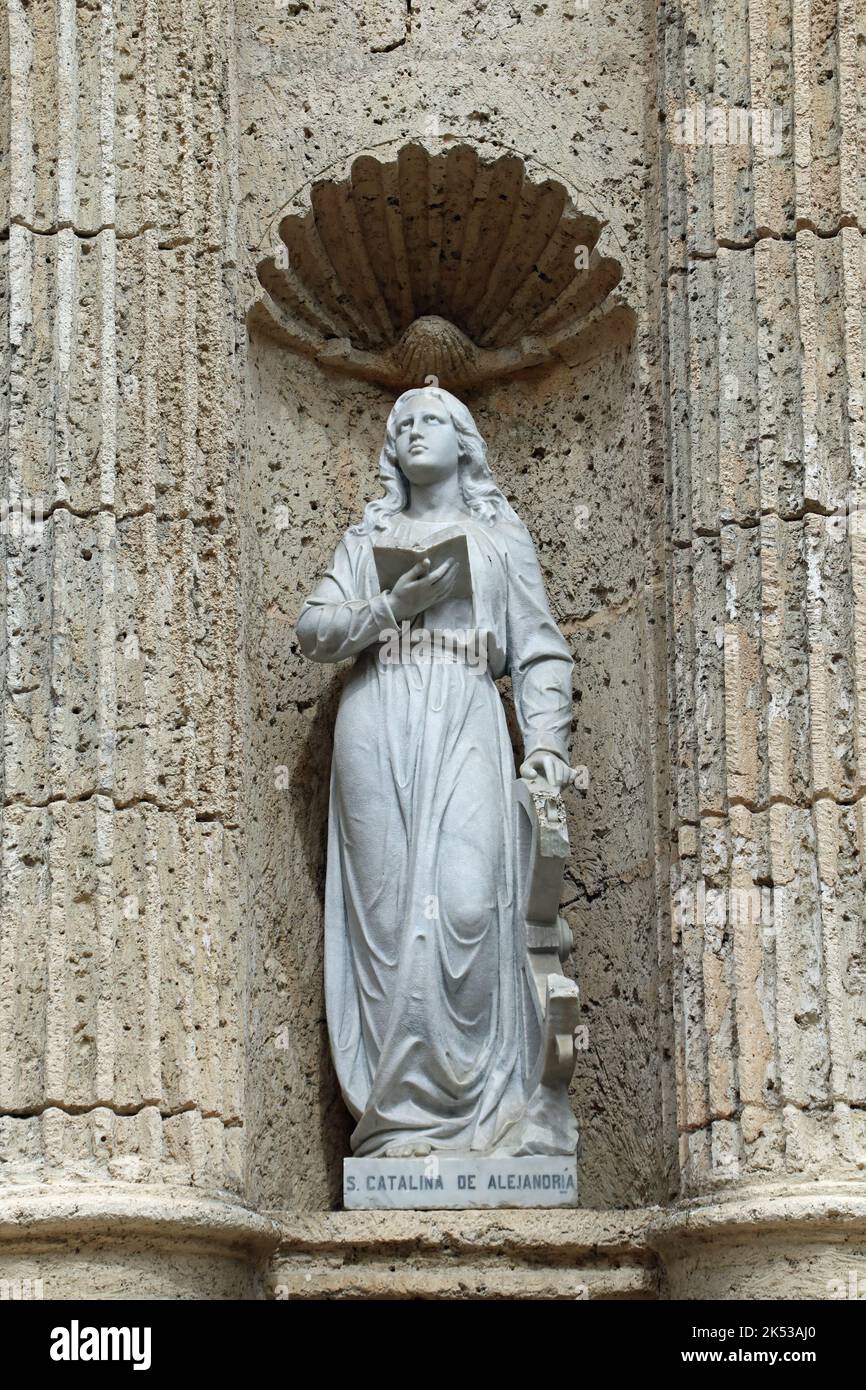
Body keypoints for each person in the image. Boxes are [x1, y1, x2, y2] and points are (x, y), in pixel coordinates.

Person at [296, 386, 576, 1157]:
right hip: (379, 712)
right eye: (404, 425)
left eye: (433, 422)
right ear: (393, 450)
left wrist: (546, 741)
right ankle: (400, 1125)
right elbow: (314, 630)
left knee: (464, 906)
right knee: (388, 918)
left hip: (467, 710)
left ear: (464, 442)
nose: (417, 433)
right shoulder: (369, 538)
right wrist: (389, 605)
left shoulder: (497, 536)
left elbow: (541, 647)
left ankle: (486, 1114)